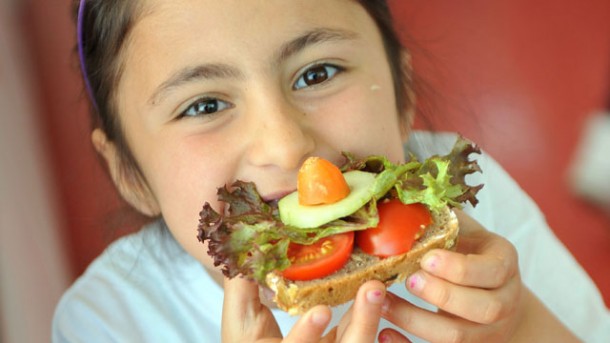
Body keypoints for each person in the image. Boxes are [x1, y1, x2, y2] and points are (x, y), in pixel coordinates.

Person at [52, 0, 610, 342]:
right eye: (204, 106)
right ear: (130, 173)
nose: (287, 145)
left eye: (317, 73)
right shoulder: (108, 321)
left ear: (402, 93)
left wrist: (519, 329)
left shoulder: (472, 224)